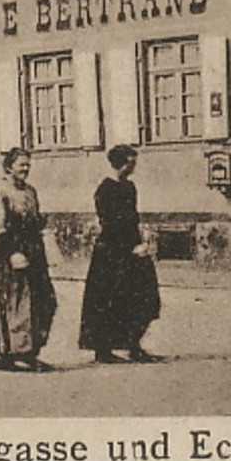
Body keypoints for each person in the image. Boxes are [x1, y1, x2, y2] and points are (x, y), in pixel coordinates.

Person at [79, 144, 162, 363]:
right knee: (108, 301)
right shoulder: (105, 189)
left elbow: (132, 219)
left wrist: (140, 240)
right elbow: (111, 223)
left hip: (133, 248)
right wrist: (129, 247)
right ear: (120, 163)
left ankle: (133, 345)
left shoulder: (129, 187)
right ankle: (103, 350)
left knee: (145, 298)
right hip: (112, 251)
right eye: (130, 163)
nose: (133, 167)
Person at [0, 147, 58, 372]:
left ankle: (30, 352)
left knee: (44, 300)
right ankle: (9, 353)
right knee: (14, 303)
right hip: (8, 252)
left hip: (33, 251)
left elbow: (34, 219)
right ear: (9, 166)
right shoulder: (0, 192)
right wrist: (14, 252)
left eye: (28, 164)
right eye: (21, 164)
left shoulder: (30, 191)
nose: (26, 168)